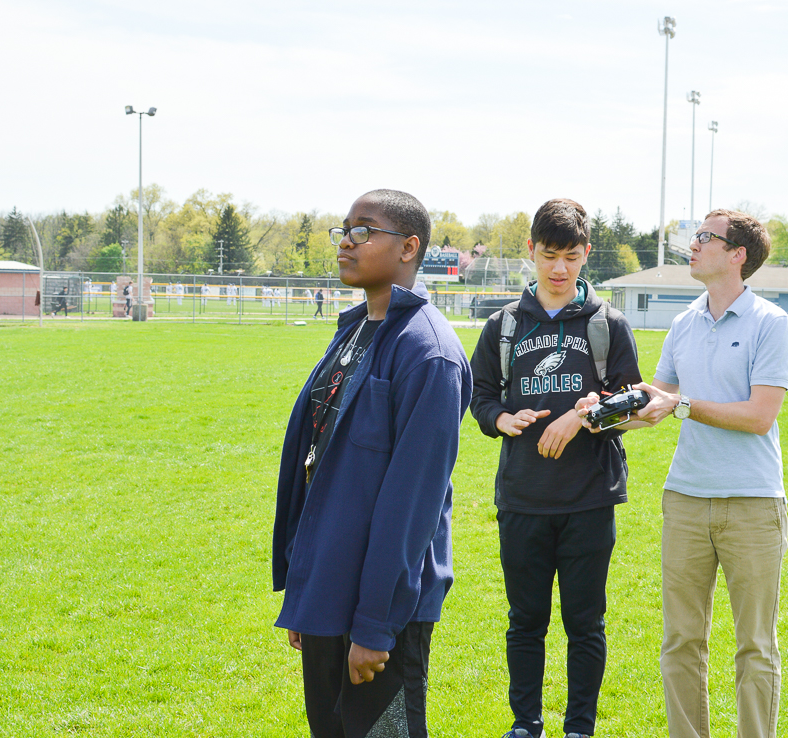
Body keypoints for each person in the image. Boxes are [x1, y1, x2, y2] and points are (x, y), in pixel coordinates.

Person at [578, 209, 788, 738]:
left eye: (704, 237)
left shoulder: (771, 322)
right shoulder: (684, 323)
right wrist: (603, 414)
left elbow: (759, 416)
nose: (692, 244)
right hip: (686, 501)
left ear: (737, 254)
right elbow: (658, 404)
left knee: (755, 646)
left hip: (753, 503)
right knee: (680, 643)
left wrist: (682, 405)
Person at [273, 189, 472, 738]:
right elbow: (319, 466)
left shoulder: (428, 352)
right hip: (328, 590)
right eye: (344, 229)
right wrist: (306, 590)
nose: (346, 241)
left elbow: (411, 505)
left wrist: (375, 625)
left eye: (363, 230)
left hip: (381, 608)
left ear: (409, 247)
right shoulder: (356, 330)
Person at [469, 198, 642, 738]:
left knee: (585, 624)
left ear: (586, 253)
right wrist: (502, 419)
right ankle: (526, 724)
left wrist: (582, 416)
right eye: (549, 255)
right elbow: (479, 395)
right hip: (523, 497)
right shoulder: (503, 325)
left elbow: (631, 402)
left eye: (570, 256)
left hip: (589, 498)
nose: (559, 268)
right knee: (525, 622)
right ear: (531, 252)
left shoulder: (608, 324)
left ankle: (579, 728)